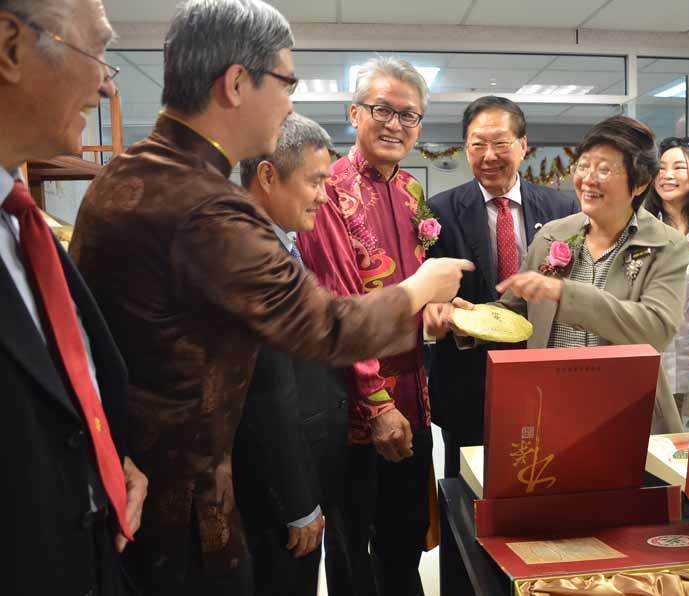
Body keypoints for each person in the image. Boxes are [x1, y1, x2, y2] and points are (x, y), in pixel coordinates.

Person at [67, 3, 472, 594]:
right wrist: (420, 289)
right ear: (236, 83)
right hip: (185, 511)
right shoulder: (204, 203)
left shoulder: (129, 174)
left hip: (150, 487)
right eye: (288, 83)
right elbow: (323, 326)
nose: (290, 104)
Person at [1, 0, 149, 594]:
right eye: (99, 51)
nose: (107, 83)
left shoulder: (24, 223)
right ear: (10, 47)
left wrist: (103, 459)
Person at [431, 116, 689, 434]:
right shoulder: (555, 234)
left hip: (624, 413)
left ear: (639, 183)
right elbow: (518, 310)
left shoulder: (667, 245)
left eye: (605, 170)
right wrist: (467, 319)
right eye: (583, 166)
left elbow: (656, 329)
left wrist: (564, 294)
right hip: (547, 409)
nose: (588, 179)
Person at [295, 56, 436, 596]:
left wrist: (439, 310)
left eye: (409, 115)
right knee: (354, 548)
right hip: (359, 408)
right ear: (354, 113)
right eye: (382, 109)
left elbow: (409, 290)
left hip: (416, 395)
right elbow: (341, 308)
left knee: (404, 542)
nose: (395, 124)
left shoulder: (409, 192)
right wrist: (377, 406)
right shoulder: (328, 191)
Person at [425, 96, 579, 478]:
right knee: (465, 498)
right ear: (465, 149)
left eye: (501, 143)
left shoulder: (563, 208)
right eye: (477, 145)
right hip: (467, 380)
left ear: (523, 145)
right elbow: (430, 292)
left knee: (541, 485)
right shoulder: (439, 212)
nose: (489, 155)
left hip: (545, 375)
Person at [232, 113, 350, 595]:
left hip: (303, 465)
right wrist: (299, 503)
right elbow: (268, 393)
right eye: (316, 181)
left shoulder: (283, 246)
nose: (325, 195)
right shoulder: (252, 257)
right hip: (278, 489)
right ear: (267, 176)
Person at [642, 136, 689, 426]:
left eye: (679, 167)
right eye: (660, 168)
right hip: (651, 361)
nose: (667, 175)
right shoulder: (639, 228)